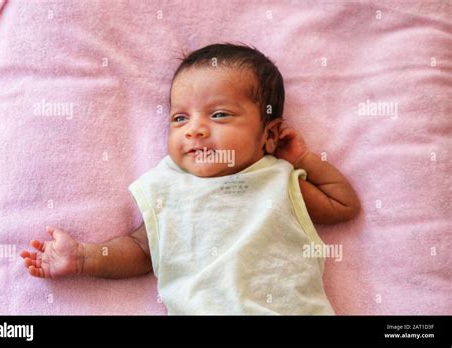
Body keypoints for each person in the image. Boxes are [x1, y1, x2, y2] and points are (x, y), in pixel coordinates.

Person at [20, 43, 360, 314]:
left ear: (269, 134)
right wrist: (84, 258)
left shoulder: (277, 180)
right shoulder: (168, 187)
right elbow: (142, 250)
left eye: (219, 115)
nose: (195, 129)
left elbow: (343, 204)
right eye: (180, 118)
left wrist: (302, 159)